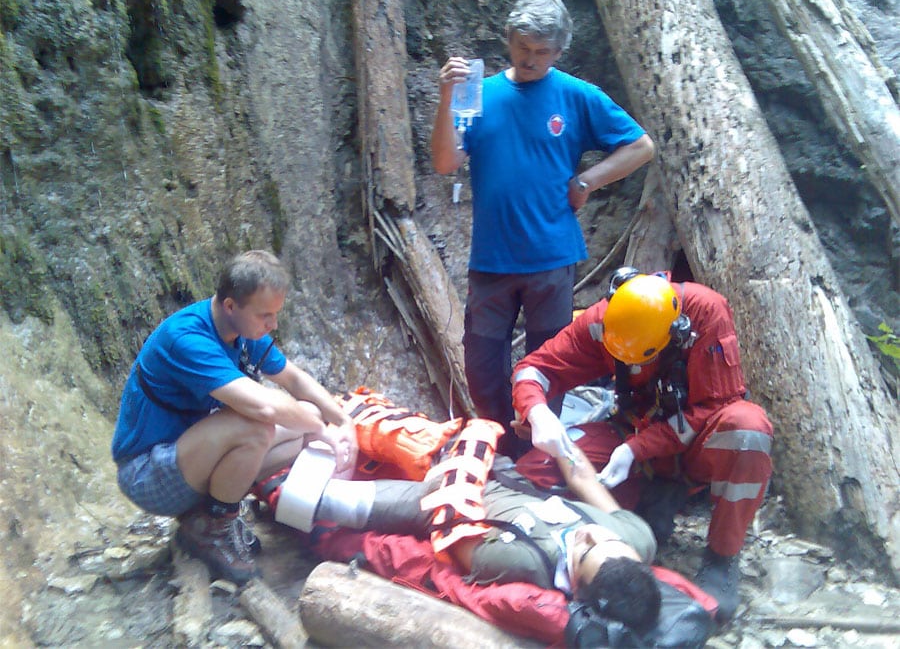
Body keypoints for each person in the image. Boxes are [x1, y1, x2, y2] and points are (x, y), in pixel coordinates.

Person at [431, 0, 656, 459]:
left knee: (549, 363)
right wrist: (446, 96)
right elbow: (446, 162)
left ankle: (538, 455)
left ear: (558, 51)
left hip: (552, 258)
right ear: (508, 39)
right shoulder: (478, 92)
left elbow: (641, 146)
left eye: (542, 51)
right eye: (522, 47)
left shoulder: (576, 95)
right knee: (482, 364)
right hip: (491, 258)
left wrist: (588, 179)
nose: (530, 58)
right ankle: (498, 447)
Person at [510, 268, 774, 621]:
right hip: (631, 433)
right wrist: (537, 411)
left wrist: (637, 449)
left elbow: (714, 406)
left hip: (690, 445)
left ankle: (722, 557)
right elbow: (535, 369)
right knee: (539, 468)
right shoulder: (603, 321)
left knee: (747, 430)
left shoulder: (705, 314)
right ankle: (641, 507)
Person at [111, 250, 358, 584]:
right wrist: (322, 430)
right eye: (265, 316)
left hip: (189, 457)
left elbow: (295, 379)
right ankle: (212, 529)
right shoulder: (187, 338)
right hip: (147, 474)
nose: (273, 325)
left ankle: (208, 513)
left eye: (275, 314)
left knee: (307, 417)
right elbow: (263, 407)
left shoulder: (241, 331)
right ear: (230, 306)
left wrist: (342, 421)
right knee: (256, 426)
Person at [278, 430, 663, 635]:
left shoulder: (522, 563)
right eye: (609, 539)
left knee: (311, 498)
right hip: (500, 473)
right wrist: (555, 435)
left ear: (576, 588)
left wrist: (458, 464)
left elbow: (449, 527)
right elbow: (584, 479)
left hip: (445, 498)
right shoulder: (637, 538)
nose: (590, 532)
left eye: (586, 550)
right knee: (377, 424)